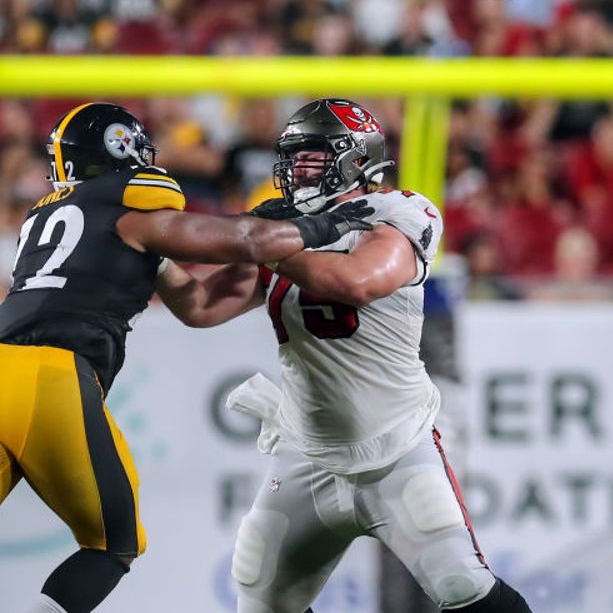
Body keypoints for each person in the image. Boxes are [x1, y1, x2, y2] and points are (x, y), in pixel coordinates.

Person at [152, 98, 535, 613]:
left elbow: (358, 282)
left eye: (310, 157)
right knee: (259, 601)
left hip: (397, 449)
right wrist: (150, 256)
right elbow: (198, 307)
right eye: (291, 158)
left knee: (464, 587)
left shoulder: (400, 211)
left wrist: (271, 242)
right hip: (307, 455)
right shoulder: (283, 229)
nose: (294, 171)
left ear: (354, 160)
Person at [0, 102, 375, 613]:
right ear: (120, 150)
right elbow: (242, 239)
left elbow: (197, 306)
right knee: (113, 544)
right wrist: (323, 226)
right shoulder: (131, 214)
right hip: (52, 376)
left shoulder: (49, 220)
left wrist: (255, 243)